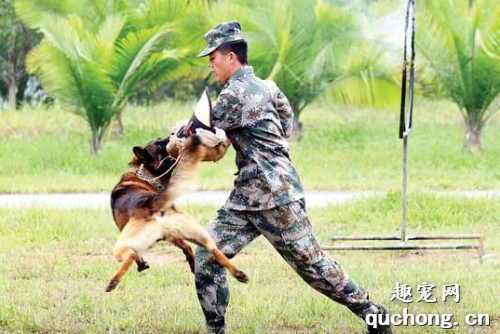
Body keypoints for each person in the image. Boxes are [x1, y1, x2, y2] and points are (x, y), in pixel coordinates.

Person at [193, 21, 395, 334]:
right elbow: (285, 126)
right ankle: (215, 329)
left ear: (231, 57)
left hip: (276, 197)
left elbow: (199, 130)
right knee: (207, 254)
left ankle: (373, 313)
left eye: (213, 56)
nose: (210, 63)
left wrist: (175, 140)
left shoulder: (234, 95)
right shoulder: (269, 87)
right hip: (247, 196)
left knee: (314, 268)